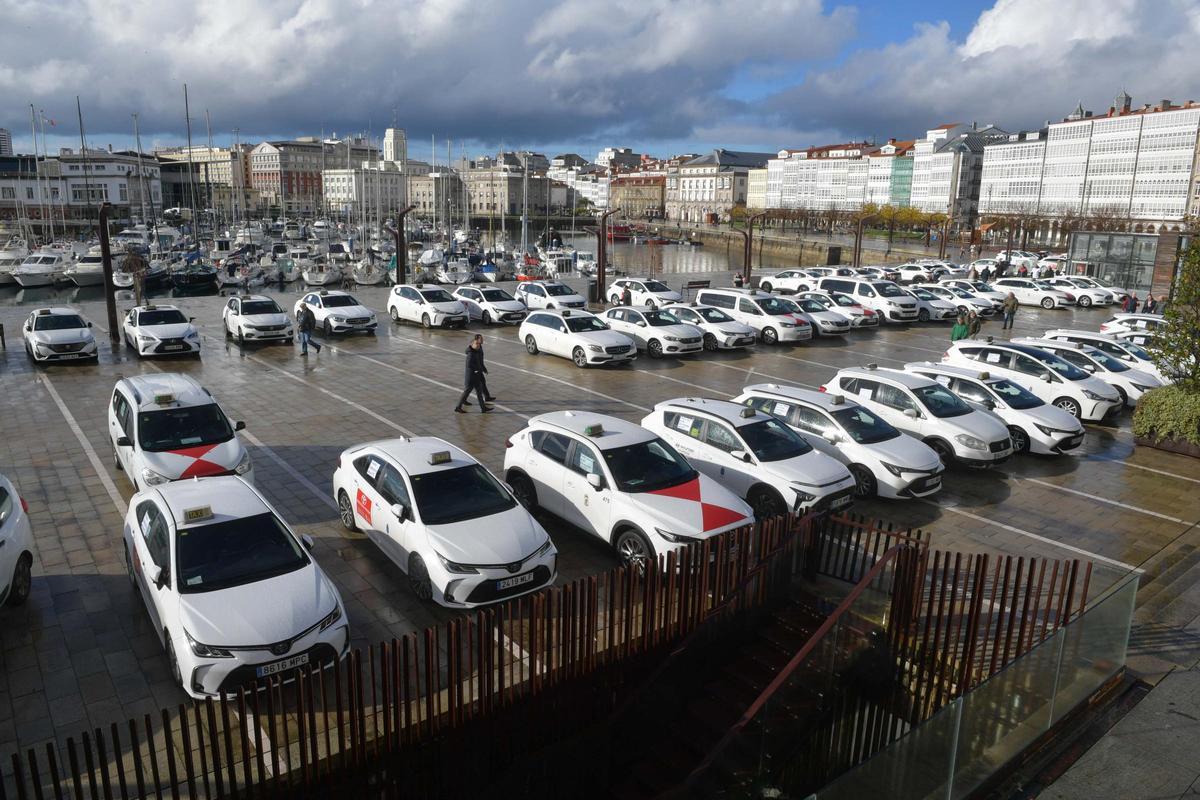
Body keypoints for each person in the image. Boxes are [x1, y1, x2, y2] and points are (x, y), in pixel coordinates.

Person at [455, 335, 492, 413]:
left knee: (479, 392)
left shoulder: (475, 352)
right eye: (477, 345)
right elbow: (469, 365)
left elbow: (479, 362)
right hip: (471, 377)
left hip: (476, 376)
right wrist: (477, 369)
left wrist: (482, 369)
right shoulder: (471, 354)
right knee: (466, 392)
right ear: (473, 345)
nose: (479, 346)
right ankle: (458, 407)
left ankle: (483, 408)